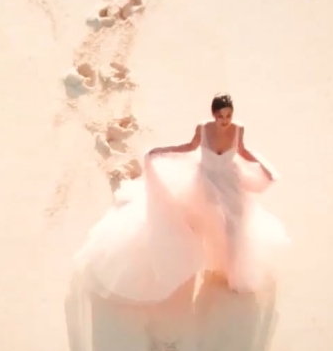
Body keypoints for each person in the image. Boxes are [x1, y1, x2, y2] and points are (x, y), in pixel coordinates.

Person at [74, 93, 288, 299]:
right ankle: (192, 260)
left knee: (234, 225)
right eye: (220, 115)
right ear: (214, 114)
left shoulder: (238, 129)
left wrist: (263, 166)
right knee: (203, 222)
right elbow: (189, 147)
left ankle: (233, 273)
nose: (225, 120)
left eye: (228, 115)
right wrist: (161, 151)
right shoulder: (204, 128)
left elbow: (242, 150)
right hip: (205, 182)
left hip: (230, 182)